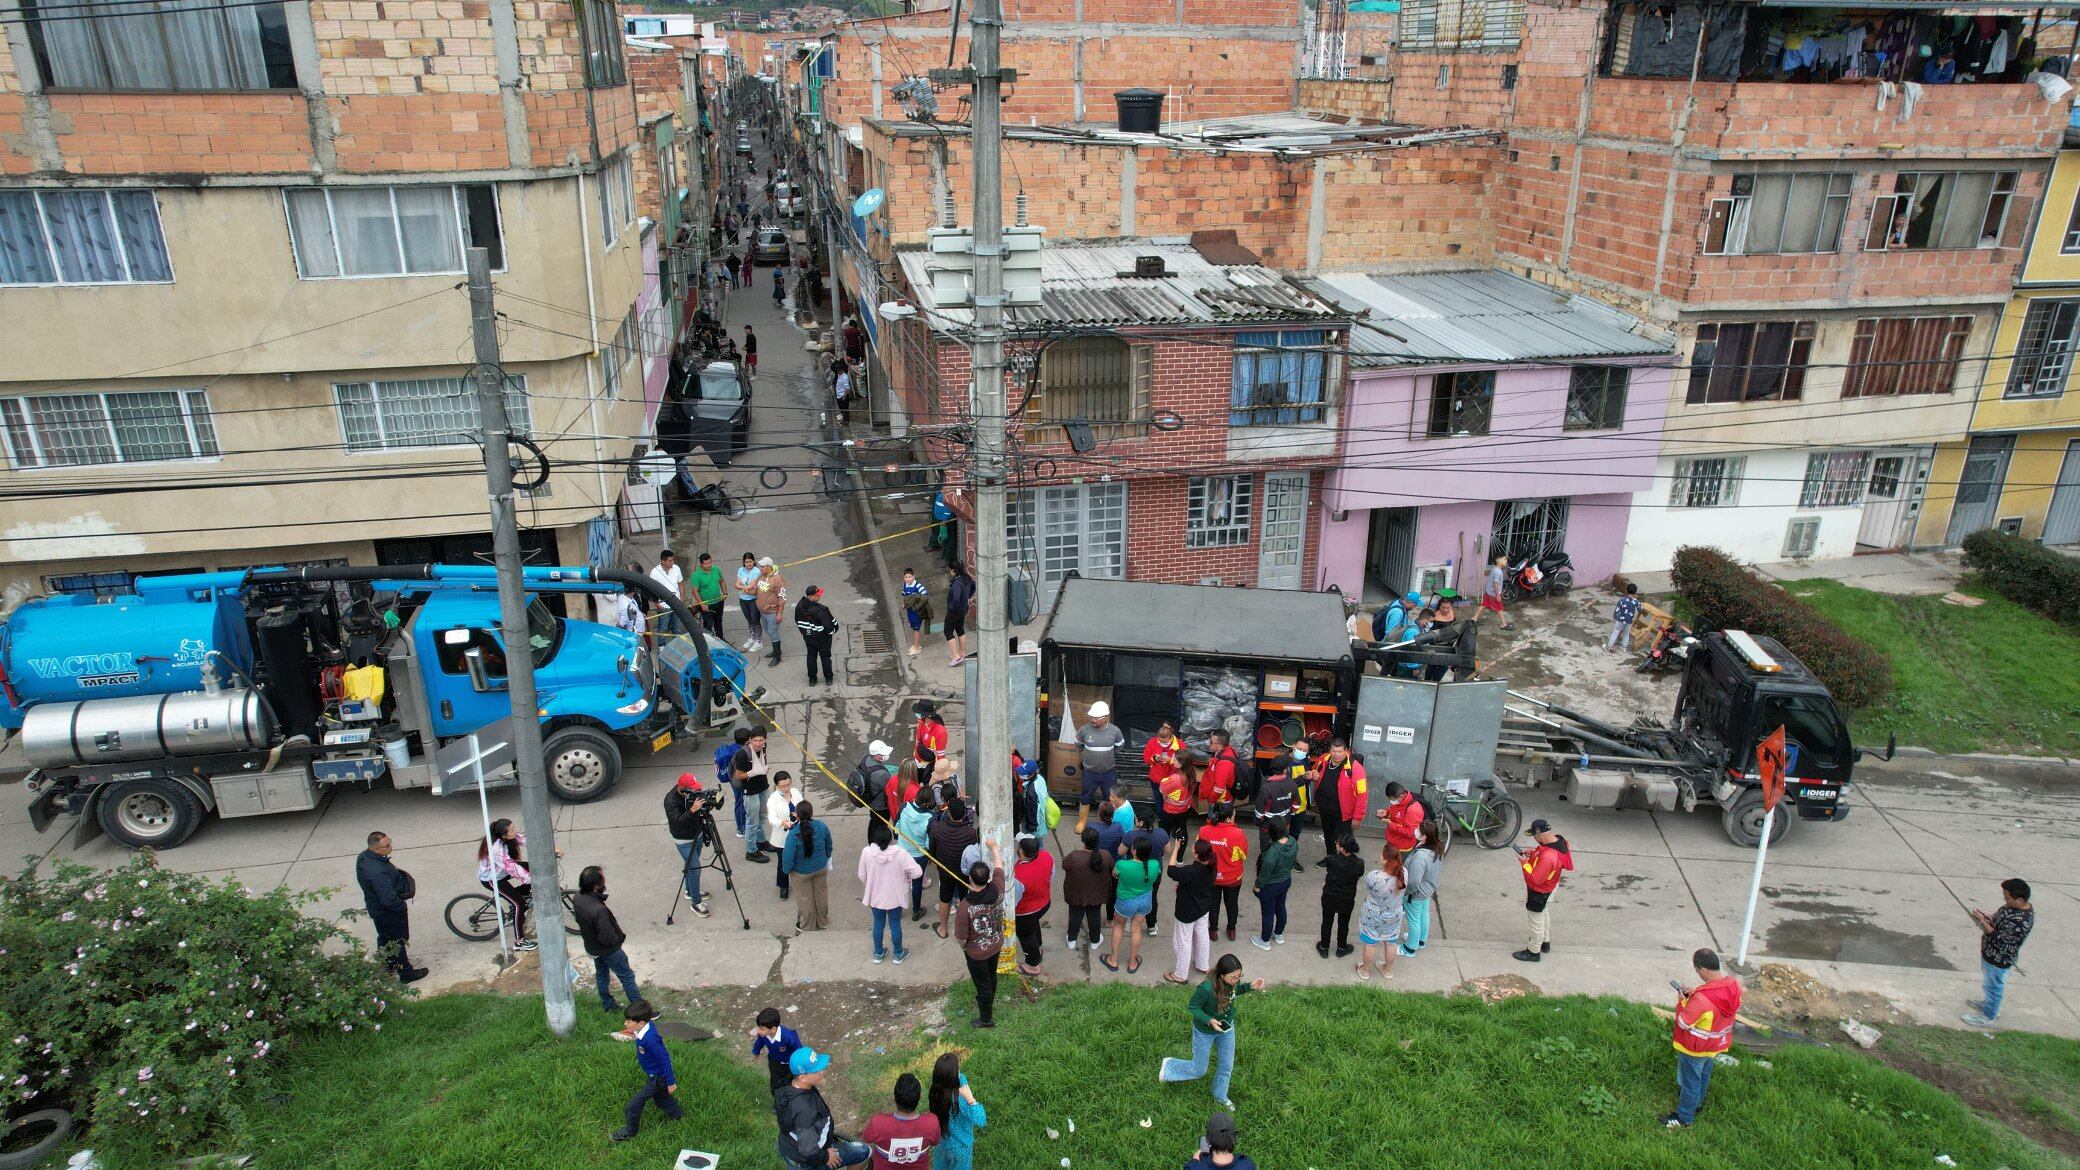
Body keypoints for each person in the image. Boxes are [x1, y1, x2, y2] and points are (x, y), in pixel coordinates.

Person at [1159, 953, 1264, 1110]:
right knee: (1199, 1070)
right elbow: (1193, 1007)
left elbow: (1234, 991)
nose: (1236, 980)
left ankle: (1220, 1096)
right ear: (1221, 975)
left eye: (1239, 976)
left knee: (1227, 1065)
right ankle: (1170, 1066)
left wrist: (1250, 986)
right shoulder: (1206, 989)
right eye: (1233, 977)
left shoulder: (1232, 982)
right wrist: (1209, 1020)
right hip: (1205, 1032)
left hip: (1226, 1027)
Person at [1662, 948, 1743, 1129]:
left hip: (1695, 1048)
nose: (1697, 973)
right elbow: (1715, 1001)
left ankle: (1684, 1117)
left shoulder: (1701, 1000)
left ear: (1704, 969)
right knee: (1703, 1076)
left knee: (1690, 1082)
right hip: (1715, 1045)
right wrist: (1696, 993)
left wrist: (1683, 1002)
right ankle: (1697, 1103)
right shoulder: (1733, 986)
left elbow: (1683, 1022)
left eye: (1697, 970)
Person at [776, 1047, 872, 1169]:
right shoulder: (805, 1111)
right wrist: (826, 1157)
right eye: (816, 1070)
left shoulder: (788, 1086)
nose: (822, 1071)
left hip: (789, 1147)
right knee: (864, 1151)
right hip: (810, 1159)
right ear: (802, 1077)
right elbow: (808, 1151)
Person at [356, 831, 426, 982]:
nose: (391, 846)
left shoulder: (364, 857)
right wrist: (401, 906)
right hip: (388, 912)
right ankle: (406, 973)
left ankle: (387, 964)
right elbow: (387, 899)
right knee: (398, 941)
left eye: (390, 842)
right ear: (375, 849)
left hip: (375, 907)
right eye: (387, 845)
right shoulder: (377, 871)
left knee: (384, 937)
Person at [1965, 878, 2035, 1028]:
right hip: (1990, 953)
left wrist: (1982, 922)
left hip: (1999, 959)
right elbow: (2000, 914)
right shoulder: (2014, 906)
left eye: (2007, 898)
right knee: (1989, 984)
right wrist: (1988, 916)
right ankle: (1989, 1004)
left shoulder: (2020, 921)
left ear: (2020, 900)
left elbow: (2000, 939)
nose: (2005, 900)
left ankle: (1989, 1017)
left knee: (1994, 987)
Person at [573, 866, 643, 1013]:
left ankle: (608, 1005)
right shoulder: (599, 910)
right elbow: (608, 937)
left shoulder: (578, 897)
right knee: (627, 977)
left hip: (592, 947)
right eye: (602, 878)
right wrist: (618, 940)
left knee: (602, 975)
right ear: (595, 884)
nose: (604, 879)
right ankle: (640, 1011)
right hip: (609, 950)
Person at [610, 999, 682, 1142]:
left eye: (629, 1022)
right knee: (662, 1100)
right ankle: (679, 1116)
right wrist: (632, 1030)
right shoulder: (644, 1029)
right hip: (654, 1075)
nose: (625, 1024)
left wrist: (671, 1082)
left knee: (633, 1106)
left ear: (641, 1023)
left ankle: (630, 1132)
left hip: (658, 1078)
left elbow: (665, 1060)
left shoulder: (650, 1040)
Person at [951, 841, 1006, 1028]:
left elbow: (961, 937)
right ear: (988, 878)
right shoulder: (998, 888)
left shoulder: (965, 907)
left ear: (970, 879)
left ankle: (986, 1019)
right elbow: (999, 868)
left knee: (982, 985)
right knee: (991, 976)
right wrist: (995, 849)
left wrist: (965, 948)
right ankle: (990, 995)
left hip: (976, 953)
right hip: (996, 943)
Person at [860, 821, 922, 964]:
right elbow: (917, 872)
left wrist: (870, 885)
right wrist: (906, 878)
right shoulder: (901, 853)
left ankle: (878, 953)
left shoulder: (867, 852)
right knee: (894, 923)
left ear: (874, 839)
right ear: (890, 839)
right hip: (895, 897)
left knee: (878, 923)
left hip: (875, 897)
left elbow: (861, 875)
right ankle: (898, 954)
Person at [1513, 818, 1574, 962]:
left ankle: (1533, 952)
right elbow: (1544, 852)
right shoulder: (1559, 841)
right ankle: (1545, 942)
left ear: (1540, 834)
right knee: (1544, 913)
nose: (1534, 839)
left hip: (1540, 892)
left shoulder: (1548, 857)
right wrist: (1533, 853)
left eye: (1534, 835)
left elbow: (1535, 879)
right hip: (1551, 887)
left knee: (1536, 922)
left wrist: (1524, 863)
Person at [475, 817, 536, 950]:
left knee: (534, 869)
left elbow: (526, 840)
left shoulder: (509, 837)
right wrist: (530, 879)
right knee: (519, 903)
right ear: (504, 835)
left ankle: (516, 896)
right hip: (492, 879)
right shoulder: (496, 849)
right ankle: (519, 942)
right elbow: (512, 867)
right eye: (512, 830)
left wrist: (551, 850)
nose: (515, 832)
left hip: (501, 871)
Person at [1164, 837, 1217, 986]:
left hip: (1187, 912)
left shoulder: (1191, 871)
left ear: (1196, 855)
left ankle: (1180, 974)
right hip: (1203, 908)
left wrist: (1176, 848)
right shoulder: (1212, 866)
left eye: (1193, 848)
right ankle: (1202, 964)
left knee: (1183, 942)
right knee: (1202, 935)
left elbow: (1171, 870)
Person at [1102, 835, 1160, 974]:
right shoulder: (1155, 864)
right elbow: (1156, 875)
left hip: (1126, 901)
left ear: (1134, 850)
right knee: (1136, 929)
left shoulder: (1123, 865)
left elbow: (1114, 874)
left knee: (1118, 927)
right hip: (1145, 901)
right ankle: (1132, 962)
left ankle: (1113, 960)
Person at [863, 1072, 942, 1169]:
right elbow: (935, 1142)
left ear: (894, 1099)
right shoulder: (932, 1123)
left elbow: (866, 1139)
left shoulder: (877, 1123)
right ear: (919, 1098)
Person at [664, 771, 714, 919]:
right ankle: (696, 903)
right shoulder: (671, 800)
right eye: (693, 789)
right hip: (684, 840)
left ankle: (690, 891)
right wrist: (693, 809)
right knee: (695, 869)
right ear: (682, 788)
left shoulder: (692, 793)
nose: (696, 791)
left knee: (691, 865)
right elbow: (677, 822)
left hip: (697, 833)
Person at [928, 797, 980, 941]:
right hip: (964, 873)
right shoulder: (970, 832)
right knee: (964, 901)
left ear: (949, 813)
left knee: (945, 898)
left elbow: (932, 850)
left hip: (945, 871)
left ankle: (943, 929)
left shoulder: (937, 828)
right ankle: (965, 932)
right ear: (964, 814)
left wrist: (935, 862)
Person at [1311, 739, 1368, 867]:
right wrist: (1313, 774)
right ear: (1329, 751)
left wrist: (1358, 817)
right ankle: (1331, 858)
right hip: (1325, 810)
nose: (1337, 754)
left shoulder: (1355, 768)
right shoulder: (1324, 759)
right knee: (1328, 836)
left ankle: (1345, 864)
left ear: (1346, 751)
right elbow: (1314, 770)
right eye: (1334, 751)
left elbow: (1362, 794)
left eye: (1340, 751)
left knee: (1344, 840)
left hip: (1344, 814)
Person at [783, 799, 836, 931]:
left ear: (797, 815)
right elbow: (829, 845)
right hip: (820, 867)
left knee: (805, 899)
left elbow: (788, 857)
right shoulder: (822, 826)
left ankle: (807, 925)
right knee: (821, 895)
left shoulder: (793, 834)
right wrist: (826, 857)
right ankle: (823, 922)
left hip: (801, 872)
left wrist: (786, 870)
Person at [928, 1053, 987, 1170]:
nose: (960, 1072)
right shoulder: (960, 1101)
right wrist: (971, 1099)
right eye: (958, 1069)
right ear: (953, 1076)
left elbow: (961, 1078)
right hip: (961, 1147)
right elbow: (981, 1120)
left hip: (942, 1143)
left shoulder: (935, 1091)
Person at [1074, 701, 1126, 832]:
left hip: (1108, 772)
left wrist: (1106, 756)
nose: (1093, 719)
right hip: (1089, 772)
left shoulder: (1115, 731)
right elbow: (1078, 744)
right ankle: (1082, 821)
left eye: (1096, 717)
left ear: (1105, 717)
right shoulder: (1084, 730)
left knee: (1110, 797)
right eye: (1092, 716)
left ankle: (1107, 820)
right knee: (1085, 795)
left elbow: (1119, 746)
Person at [1355, 847, 1406, 981]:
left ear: (1384, 860)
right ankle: (1387, 971)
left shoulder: (1375, 876)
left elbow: (1367, 887)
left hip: (1374, 915)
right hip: (1394, 915)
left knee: (1370, 943)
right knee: (1391, 943)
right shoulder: (1404, 873)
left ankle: (1365, 971)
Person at [1199, 803, 1248, 942]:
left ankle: (1213, 930)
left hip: (1211, 877)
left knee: (1213, 905)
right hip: (1232, 878)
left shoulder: (1204, 830)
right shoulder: (1238, 833)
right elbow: (1244, 855)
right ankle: (1231, 930)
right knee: (1232, 904)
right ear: (1228, 818)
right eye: (1234, 815)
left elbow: (1198, 851)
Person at [1248, 818, 1297, 951]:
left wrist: (1257, 886)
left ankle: (1265, 941)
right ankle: (1279, 934)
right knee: (1280, 908)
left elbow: (1264, 875)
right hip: (1285, 881)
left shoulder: (1271, 853)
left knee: (1268, 914)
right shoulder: (1292, 842)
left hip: (1270, 887)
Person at [1010, 835, 1054, 974]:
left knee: (1026, 936)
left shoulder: (1018, 876)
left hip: (1025, 912)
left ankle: (1033, 965)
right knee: (1033, 925)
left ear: (1021, 851)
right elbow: (1051, 877)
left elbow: (1014, 900)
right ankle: (1038, 947)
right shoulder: (1047, 856)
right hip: (1044, 903)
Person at [1063, 826, 1109, 954]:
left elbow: (1064, 865)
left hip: (1076, 895)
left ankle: (1071, 940)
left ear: (1083, 842)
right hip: (1096, 895)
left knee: (1075, 916)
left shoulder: (1074, 856)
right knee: (1094, 916)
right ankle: (1095, 941)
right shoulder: (1105, 855)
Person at [1400, 820, 1442, 956]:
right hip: (1428, 889)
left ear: (1424, 837)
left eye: (1418, 830)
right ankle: (1421, 940)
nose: (1416, 831)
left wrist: (1406, 892)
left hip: (1416, 893)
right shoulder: (1436, 848)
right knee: (1424, 914)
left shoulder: (1420, 856)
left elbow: (1414, 882)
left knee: (1413, 920)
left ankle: (1410, 948)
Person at [1317, 831, 1361, 959]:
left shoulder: (1331, 859)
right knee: (1344, 923)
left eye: (1338, 843)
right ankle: (1341, 948)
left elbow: (1330, 869)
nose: (1336, 844)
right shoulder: (1359, 863)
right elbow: (1358, 874)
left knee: (1327, 922)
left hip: (1329, 896)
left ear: (1342, 848)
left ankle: (1324, 948)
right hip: (1347, 898)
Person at [897, 789, 936, 922]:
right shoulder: (931, 818)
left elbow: (896, 827)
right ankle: (916, 910)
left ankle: (897, 910)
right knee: (917, 883)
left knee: (900, 881)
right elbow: (929, 842)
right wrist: (930, 856)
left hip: (902, 851)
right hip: (919, 856)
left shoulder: (904, 807)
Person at [1254, 748, 1302, 858]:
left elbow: (1259, 813)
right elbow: (1296, 805)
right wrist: (1290, 815)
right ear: (1285, 770)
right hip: (1284, 824)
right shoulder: (1292, 784)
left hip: (1267, 827)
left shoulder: (1266, 787)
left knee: (1266, 852)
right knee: (1282, 850)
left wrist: (1259, 823)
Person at [736, 727, 774, 865]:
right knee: (752, 822)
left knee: (762, 816)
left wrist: (762, 770)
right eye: (755, 740)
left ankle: (761, 841)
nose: (758, 744)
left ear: (765, 739)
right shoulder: (742, 754)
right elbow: (738, 775)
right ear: (750, 740)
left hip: (763, 787)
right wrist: (753, 772)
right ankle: (751, 851)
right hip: (750, 792)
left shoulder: (764, 747)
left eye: (761, 740)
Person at [1147, 721, 1190, 837]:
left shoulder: (1180, 745)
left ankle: (1175, 829)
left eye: (1164, 742)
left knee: (1173, 807)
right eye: (1159, 741)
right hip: (1156, 780)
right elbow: (1146, 757)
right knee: (1159, 805)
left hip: (1173, 782)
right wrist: (1154, 758)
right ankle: (1162, 827)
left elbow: (1184, 763)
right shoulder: (1152, 742)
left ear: (1171, 737)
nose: (1161, 744)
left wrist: (1170, 761)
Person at [752, 1006, 805, 1095]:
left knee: (792, 1081)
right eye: (758, 1027)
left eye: (762, 1029)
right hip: (774, 1061)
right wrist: (756, 1053)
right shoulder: (763, 1036)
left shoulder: (789, 1037)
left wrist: (801, 1064)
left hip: (790, 1063)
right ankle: (777, 1097)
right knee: (775, 1081)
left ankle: (792, 1096)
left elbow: (799, 1050)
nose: (758, 1031)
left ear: (773, 1029)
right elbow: (759, 1043)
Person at [795, 585, 839, 686]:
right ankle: (828, 678)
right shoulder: (821, 610)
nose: (820, 596)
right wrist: (832, 632)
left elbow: (797, 621)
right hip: (822, 638)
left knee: (811, 656)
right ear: (811, 597)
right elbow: (831, 626)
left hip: (808, 637)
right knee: (825, 657)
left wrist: (806, 633)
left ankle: (812, 679)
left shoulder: (799, 606)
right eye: (818, 594)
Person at [1185, 1111, 1256, 1170]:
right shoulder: (1248, 1165)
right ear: (1233, 1138)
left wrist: (1194, 1162)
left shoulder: (1193, 1167)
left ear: (1208, 1139)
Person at [755, 557, 788, 666]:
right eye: (760, 566)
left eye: (762, 566)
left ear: (769, 567)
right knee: (768, 630)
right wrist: (745, 590)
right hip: (763, 612)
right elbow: (757, 591)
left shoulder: (777, 579)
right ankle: (776, 651)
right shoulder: (761, 576)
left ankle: (777, 657)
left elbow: (782, 597)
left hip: (772, 612)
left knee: (773, 633)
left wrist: (779, 613)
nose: (760, 568)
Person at [849, 740, 895, 816]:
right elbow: (889, 790)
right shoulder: (882, 774)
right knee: (879, 821)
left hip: (870, 799)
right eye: (883, 754)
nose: (887, 755)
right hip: (880, 806)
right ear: (876, 755)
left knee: (874, 819)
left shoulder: (865, 758)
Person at [1378, 780, 1423, 855]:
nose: (1391, 801)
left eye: (1392, 799)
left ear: (1401, 796)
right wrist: (1386, 812)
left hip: (1402, 849)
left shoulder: (1413, 810)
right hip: (1393, 843)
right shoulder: (1400, 801)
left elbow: (1410, 833)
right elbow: (1394, 810)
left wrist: (1390, 824)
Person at [1199, 731, 1239, 813]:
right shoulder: (1225, 751)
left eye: (1211, 742)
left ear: (1220, 746)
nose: (1209, 744)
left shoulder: (1224, 763)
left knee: (1214, 819)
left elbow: (1219, 789)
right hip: (1219, 799)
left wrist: (1211, 801)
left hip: (1220, 802)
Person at [690, 552, 726, 639]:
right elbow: (695, 591)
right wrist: (702, 604)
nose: (709, 565)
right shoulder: (696, 575)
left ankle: (721, 639)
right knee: (708, 625)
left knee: (718, 622)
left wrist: (725, 593)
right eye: (706, 564)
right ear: (701, 564)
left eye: (710, 562)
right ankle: (708, 642)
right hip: (707, 605)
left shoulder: (716, 569)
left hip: (719, 602)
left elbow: (721, 581)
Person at [650, 549, 687, 635]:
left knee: (676, 627)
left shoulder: (676, 568)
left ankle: (677, 642)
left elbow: (680, 583)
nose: (672, 562)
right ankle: (661, 643)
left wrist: (682, 597)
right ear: (663, 561)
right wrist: (657, 604)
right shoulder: (654, 572)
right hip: (663, 606)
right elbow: (652, 590)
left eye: (672, 560)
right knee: (662, 628)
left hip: (676, 603)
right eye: (669, 561)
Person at [943, 565, 974, 666]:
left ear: (953, 571)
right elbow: (973, 586)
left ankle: (956, 656)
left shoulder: (956, 584)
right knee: (960, 629)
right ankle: (962, 652)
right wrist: (968, 597)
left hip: (954, 611)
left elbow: (956, 598)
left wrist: (952, 607)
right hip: (963, 609)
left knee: (948, 631)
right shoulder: (967, 579)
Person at [735, 552, 765, 652]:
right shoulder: (741, 570)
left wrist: (742, 587)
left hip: (753, 599)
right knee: (749, 619)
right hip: (743, 599)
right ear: (744, 562)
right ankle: (753, 637)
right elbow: (736, 584)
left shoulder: (756, 571)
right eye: (746, 562)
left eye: (750, 561)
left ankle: (759, 641)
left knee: (755, 619)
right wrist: (744, 588)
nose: (748, 564)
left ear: (753, 561)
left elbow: (751, 586)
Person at [899, 568, 929, 656]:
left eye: (910, 577)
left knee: (916, 629)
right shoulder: (905, 586)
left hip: (917, 612)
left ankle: (916, 647)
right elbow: (904, 596)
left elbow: (925, 596)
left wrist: (918, 604)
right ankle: (917, 645)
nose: (908, 579)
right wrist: (904, 604)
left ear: (914, 576)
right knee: (914, 627)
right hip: (910, 611)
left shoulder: (918, 586)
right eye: (906, 577)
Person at [1607, 582, 1643, 653]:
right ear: (1635, 592)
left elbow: (1617, 609)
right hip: (1629, 621)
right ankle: (1623, 648)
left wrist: (1614, 617)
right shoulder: (1636, 601)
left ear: (1626, 590)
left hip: (1620, 619)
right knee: (1626, 634)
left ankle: (1609, 647)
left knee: (1615, 632)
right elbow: (1640, 610)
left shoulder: (1622, 600)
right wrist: (1641, 607)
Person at [1483, 553, 1512, 630]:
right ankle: (1503, 624)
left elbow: (1488, 572)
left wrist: (1485, 574)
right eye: (1504, 559)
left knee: (1484, 605)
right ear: (1498, 560)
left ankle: (1474, 619)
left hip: (1488, 591)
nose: (1506, 561)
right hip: (1493, 594)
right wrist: (1498, 595)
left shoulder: (1494, 568)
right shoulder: (1498, 572)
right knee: (1499, 608)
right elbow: (1495, 584)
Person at [833, 362, 855, 427]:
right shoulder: (839, 375)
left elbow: (847, 388)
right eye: (838, 371)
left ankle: (846, 422)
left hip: (843, 396)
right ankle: (844, 421)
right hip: (839, 395)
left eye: (839, 371)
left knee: (844, 410)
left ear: (842, 370)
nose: (838, 372)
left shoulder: (844, 377)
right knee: (842, 409)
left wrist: (844, 396)